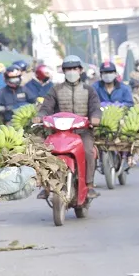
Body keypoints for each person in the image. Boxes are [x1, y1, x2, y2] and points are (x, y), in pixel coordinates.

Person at [37, 55, 102, 199]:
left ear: (80, 70)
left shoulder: (89, 90)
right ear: (63, 71)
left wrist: (95, 118)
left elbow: (95, 108)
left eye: (74, 68)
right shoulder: (55, 90)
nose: (71, 71)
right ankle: (46, 186)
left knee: (88, 151)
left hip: (82, 131)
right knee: (43, 152)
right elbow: (46, 107)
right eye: (68, 69)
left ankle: (89, 185)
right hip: (59, 131)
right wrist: (40, 115)